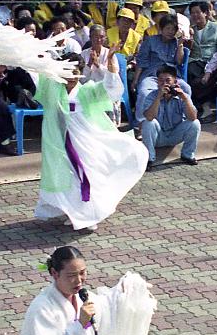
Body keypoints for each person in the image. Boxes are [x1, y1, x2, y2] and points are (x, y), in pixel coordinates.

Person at [35, 58, 146, 231]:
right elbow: (36, 76)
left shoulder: (87, 91)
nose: (72, 76)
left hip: (85, 140)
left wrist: (110, 66)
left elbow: (110, 89)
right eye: (68, 72)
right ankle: (74, 212)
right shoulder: (53, 90)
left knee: (89, 174)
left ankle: (90, 214)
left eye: (75, 71)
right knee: (68, 176)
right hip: (59, 141)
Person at [140, 65, 200, 170]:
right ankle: (150, 158)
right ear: (157, 82)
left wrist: (185, 99)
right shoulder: (151, 96)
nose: (164, 84)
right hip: (159, 136)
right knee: (148, 123)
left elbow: (193, 117)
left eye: (168, 80)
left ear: (175, 82)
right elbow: (149, 117)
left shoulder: (183, 96)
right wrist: (158, 97)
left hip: (175, 135)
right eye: (161, 80)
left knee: (195, 123)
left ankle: (188, 154)